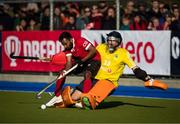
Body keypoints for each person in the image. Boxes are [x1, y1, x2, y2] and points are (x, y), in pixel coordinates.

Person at [79, 31, 167, 110]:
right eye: (109, 40)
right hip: (94, 79)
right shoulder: (101, 47)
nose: (110, 42)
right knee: (71, 97)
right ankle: (77, 101)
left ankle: (87, 101)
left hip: (108, 82)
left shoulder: (124, 53)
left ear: (118, 42)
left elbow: (136, 69)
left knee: (89, 101)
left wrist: (148, 79)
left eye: (113, 40)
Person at [45, 31, 101, 108]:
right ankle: (57, 96)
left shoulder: (80, 41)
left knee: (87, 74)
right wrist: (65, 72)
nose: (65, 46)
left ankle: (85, 98)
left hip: (94, 59)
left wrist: (82, 61)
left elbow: (93, 50)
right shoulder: (68, 49)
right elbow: (69, 63)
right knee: (62, 72)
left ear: (71, 40)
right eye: (63, 44)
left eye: (66, 43)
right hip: (82, 62)